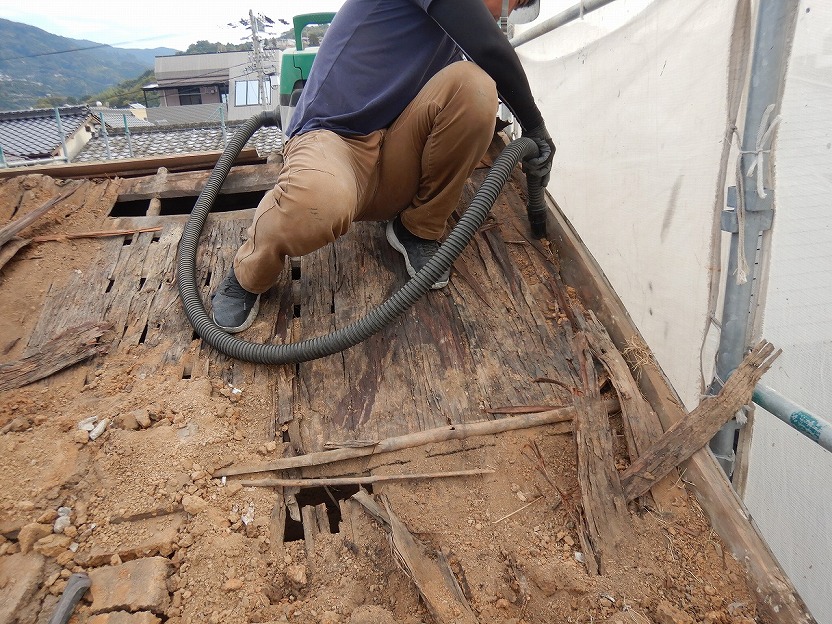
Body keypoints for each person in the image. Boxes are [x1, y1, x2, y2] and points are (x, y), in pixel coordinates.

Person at [211, 0, 555, 332]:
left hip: (393, 152)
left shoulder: (454, 30)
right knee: (317, 203)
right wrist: (536, 128)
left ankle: (418, 228)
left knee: (476, 86)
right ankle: (249, 273)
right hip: (334, 139)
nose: (504, 15)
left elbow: (473, 77)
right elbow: (491, 49)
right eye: (514, 2)